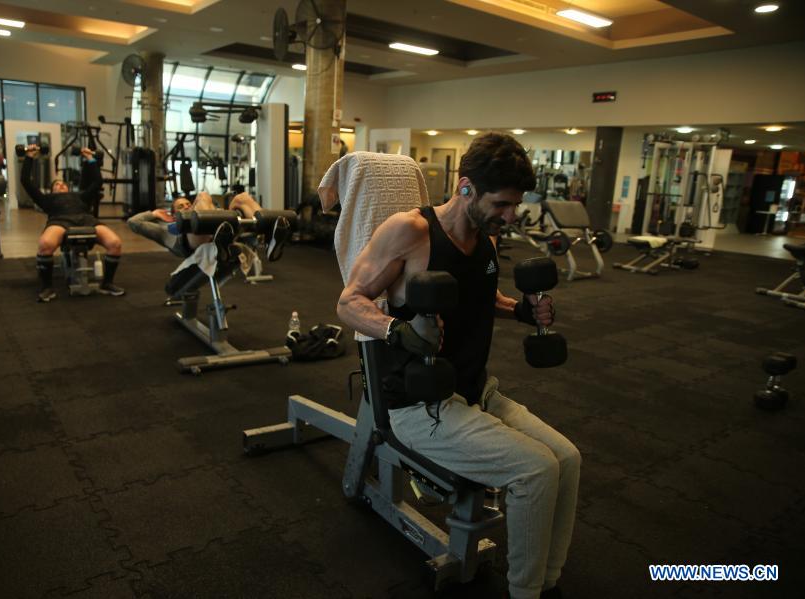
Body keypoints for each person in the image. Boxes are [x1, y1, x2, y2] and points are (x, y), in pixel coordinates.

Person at [336, 133, 580, 599]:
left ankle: (547, 582)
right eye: (502, 204)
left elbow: (482, 295)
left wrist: (520, 310)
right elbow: (349, 301)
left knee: (567, 460)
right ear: (466, 187)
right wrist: (397, 330)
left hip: (473, 390)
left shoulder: (486, 238)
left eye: (515, 205)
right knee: (535, 471)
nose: (510, 216)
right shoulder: (410, 231)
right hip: (418, 403)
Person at [21, 145, 124, 302]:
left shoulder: (80, 196)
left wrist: (90, 158)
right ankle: (47, 288)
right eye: (57, 184)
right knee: (45, 244)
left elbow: (97, 182)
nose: (61, 185)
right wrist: (29, 156)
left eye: (63, 184)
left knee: (115, 243)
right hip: (59, 221)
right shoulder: (46, 199)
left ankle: (107, 283)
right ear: (52, 190)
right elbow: (25, 181)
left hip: (86, 219)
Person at [127, 190, 287, 262]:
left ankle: (270, 237)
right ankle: (219, 239)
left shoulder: (204, 210)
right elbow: (133, 222)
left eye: (188, 204)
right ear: (174, 214)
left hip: (219, 228)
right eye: (181, 207)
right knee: (203, 196)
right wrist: (154, 213)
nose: (186, 206)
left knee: (242, 198)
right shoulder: (164, 229)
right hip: (190, 241)